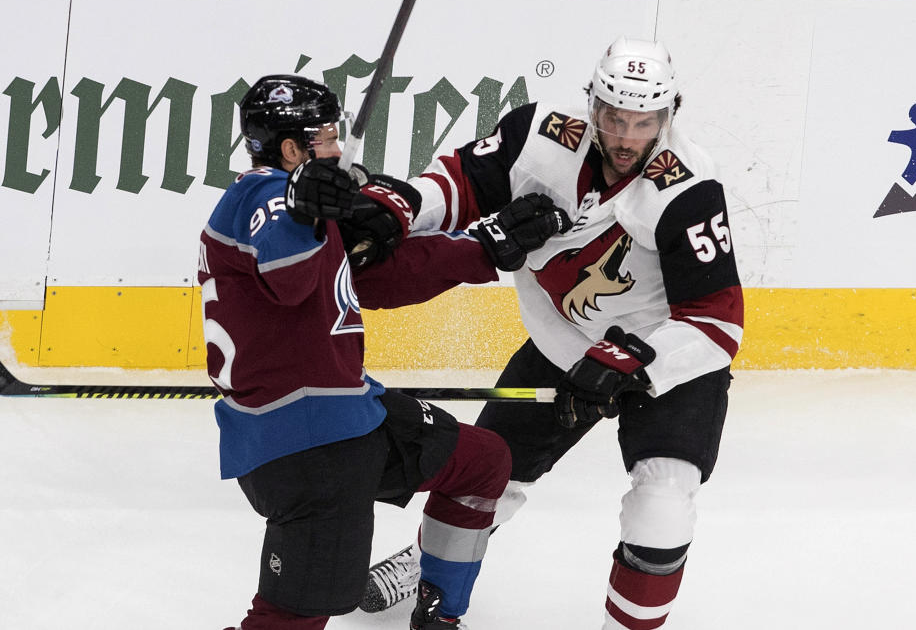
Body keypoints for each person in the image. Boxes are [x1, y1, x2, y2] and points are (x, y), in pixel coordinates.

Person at [356, 37, 744, 628]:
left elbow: (716, 321)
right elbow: (459, 182)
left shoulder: (688, 187)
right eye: (614, 116)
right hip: (565, 343)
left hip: (668, 359)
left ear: (670, 115)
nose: (626, 137)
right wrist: (402, 203)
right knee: (485, 476)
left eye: (645, 122)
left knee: (662, 502)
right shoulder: (540, 134)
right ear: (592, 104)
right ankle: (426, 563)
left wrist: (632, 359)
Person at [199, 74, 569, 630]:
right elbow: (291, 279)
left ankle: (437, 616)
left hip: (349, 414)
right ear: (292, 149)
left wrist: (484, 249)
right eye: (324, 137)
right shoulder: (264, 195)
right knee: (290, 617)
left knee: (482, 461)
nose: (339, 147)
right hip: (305, 442)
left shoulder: (299, 202)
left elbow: (376, 283)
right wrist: (302, 207)